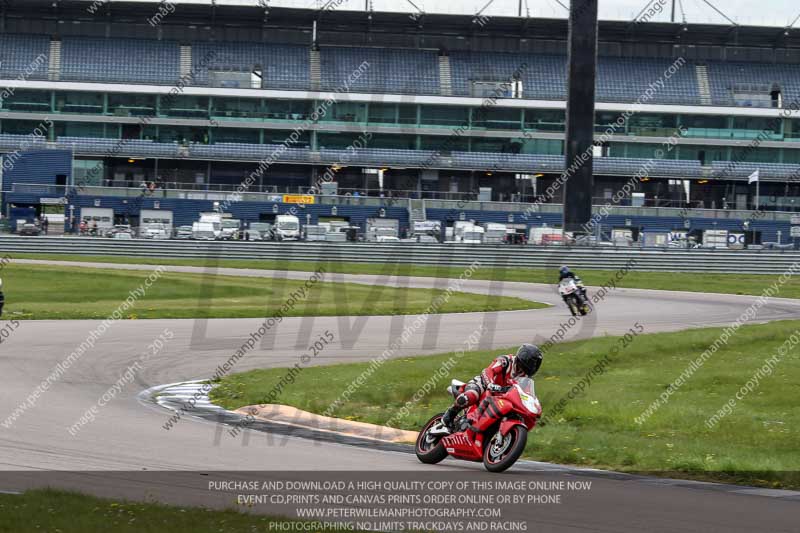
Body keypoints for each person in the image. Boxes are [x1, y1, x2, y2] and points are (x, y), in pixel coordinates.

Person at [441, 344, 543, 433]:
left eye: (536, 364)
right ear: (525, 357)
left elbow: (526, 393)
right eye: (533, 362)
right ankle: (449, 415)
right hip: (484, 384)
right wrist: (490, 384)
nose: (534, 366)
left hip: (500, 396)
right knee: (472, 395)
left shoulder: (525, 378)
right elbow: (488, 371)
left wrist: (533, 408)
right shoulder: (506, 361)